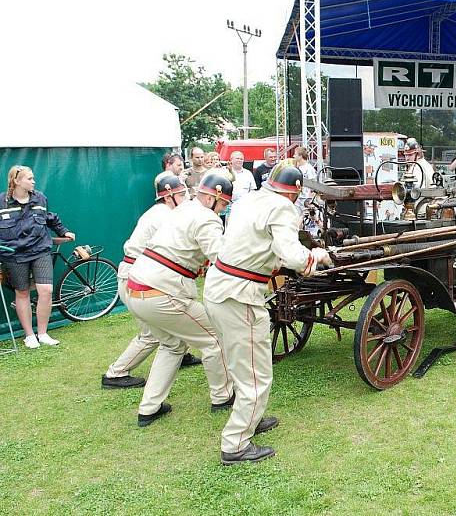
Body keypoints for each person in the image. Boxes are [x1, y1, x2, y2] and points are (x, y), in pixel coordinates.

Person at [204, 163, 332, 465]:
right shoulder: (284, 209)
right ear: (295, 192)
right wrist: (316, 255)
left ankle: (251, 416)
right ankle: (235, 444)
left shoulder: (248, 200)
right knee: (256, 372)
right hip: (241, 295)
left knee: (240, 364)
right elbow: (291, 255)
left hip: (219, 286)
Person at [126, 170, 235, 427]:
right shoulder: (208, 219)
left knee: (173, 345)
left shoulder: (182, 210)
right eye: (223, 204)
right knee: (214, 338)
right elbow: (220, 259)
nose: (222, 210)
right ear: (212, 198)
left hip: (135, 287)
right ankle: (222, 396)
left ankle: (149, 408)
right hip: (161, 291)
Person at [101, 172, 201, 389]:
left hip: (136, 273)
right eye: (181, 195)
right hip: (137, 276)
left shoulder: (161, 213)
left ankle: (180, 354)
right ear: (168, 197)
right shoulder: (164, 217)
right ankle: (115, 373)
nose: (185, 199)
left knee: (167, 328)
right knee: (151, 335)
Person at [0, 166, 74, 348]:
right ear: (16, 181)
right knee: (22, 292)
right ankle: (29, 336)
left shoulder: (40, 198)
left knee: (46, 291)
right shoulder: (2, 202)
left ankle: (43, 333)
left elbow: (50, 218)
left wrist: (64, 231)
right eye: (30, 179)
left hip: (40, 250)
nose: (33, 181)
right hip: (14, 254)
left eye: (33, 178)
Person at [291, 146, 317, 212]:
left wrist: (310, 198)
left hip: (305, 199)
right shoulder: (296, 168)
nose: (293, 156)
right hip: (298, 198)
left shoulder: (309, 168)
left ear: (300, 156)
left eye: (295, 154)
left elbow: (313, 184)